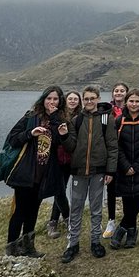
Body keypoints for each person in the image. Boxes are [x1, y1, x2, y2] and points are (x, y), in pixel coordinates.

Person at [2, 86, 73, 258]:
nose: (52, 102)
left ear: (60, 102)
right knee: (20, 211)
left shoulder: (61, 120)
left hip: (44, 175)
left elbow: (64, 144)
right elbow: (12, 139)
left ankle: (28, 248)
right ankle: (11, 250)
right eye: (49, 99)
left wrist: (60, 129)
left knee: (33, 210)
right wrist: (30, 133)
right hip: (26, 173)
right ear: (43, 100)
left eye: (56, 99)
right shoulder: (31, 116)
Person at [61, 85, 117, 263]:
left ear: (98, 99)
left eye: (93, 98)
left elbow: (112, 146)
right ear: (83, 100)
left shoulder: (106, 119)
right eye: (86, 99)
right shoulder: (76, 120)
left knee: (96, 209)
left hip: (98, 172)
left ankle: (95, 242)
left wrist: (110, 170)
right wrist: (63, 136)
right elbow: (71, 147)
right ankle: (73, 244)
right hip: (78, 172)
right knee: (76, 209)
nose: (89, 101)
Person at [110, 89, 139, 249]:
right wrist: (125, 165)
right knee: (127, 200)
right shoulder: (119, 120)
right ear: (126, 102)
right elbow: (116, 145)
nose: (134, 104)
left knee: (137, 200)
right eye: (131, 101)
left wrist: (136, 166)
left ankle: (122, 229)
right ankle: (132, 230)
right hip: (124, 168)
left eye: (137, 101)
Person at [47, 89, 80, 238]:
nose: (73, 101)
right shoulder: (59, 116)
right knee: (58, 189)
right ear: (65, 101)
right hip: (56, 157)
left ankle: (55, 220)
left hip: (70, 158)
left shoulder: (81, 117)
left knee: (60, 187)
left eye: (76, 99)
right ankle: (60, 220)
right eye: (70, 99)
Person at [103, 82, 129, 239]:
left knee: (126, 189)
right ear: (113, 94)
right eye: (116, 90)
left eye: (122, 90)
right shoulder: (106, 111)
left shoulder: (131, 109)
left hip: (126, 154)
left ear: (126, 93)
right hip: (110, 154)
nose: (119, 93)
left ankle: (126, 222)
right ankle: (111, 221)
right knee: (110, 188)